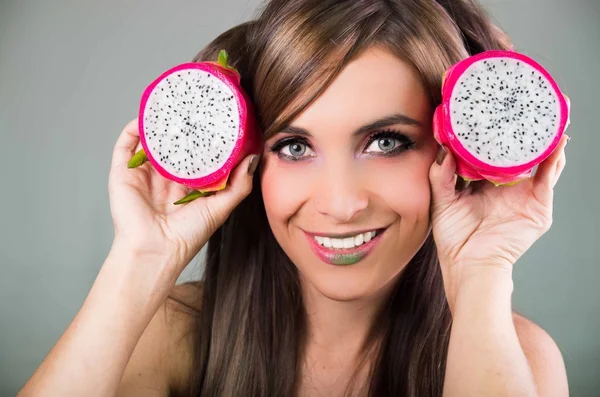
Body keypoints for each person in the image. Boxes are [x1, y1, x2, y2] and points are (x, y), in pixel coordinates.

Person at [18, 0, 570, 396]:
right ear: (249, 163)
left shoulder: (519, 360)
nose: (339, 203)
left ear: (453, 150)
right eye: (294, 146)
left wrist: (481, 271)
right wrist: (141, 259)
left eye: (386, 142)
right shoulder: (171, 336)